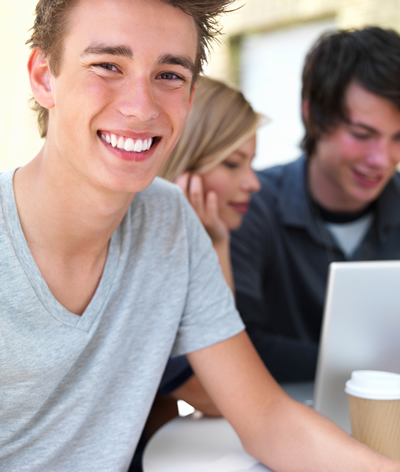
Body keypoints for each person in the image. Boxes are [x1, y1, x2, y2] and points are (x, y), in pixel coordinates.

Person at [0, 0, 399, 469]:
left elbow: (266, 419)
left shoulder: (170, 220)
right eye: (107, 65)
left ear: (190, 96)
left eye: (169, 75)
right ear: (44, 75)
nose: (140, 106)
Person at [230, 26, 400, 383]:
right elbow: (234, 350)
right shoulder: (248, 206)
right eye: (362, 135)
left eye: (398, 138)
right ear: (314, 114)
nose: (382, 159)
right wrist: (370, 367)